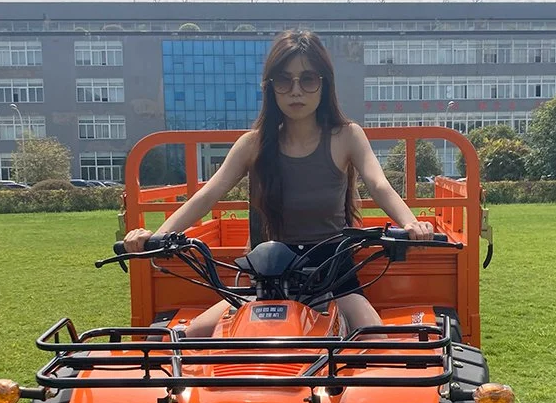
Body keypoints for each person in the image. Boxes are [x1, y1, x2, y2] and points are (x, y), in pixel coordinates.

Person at [124, 29, 434, 336]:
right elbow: (208, 195)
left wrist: (411, 224)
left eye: (308, 79)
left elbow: (379, 185)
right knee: (185, 339)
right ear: (271, 87)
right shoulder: (253, 144)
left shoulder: (346, 136)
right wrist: (157, 238)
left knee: (374, 337)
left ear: (324, 84)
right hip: (266, 277)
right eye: (284, 80)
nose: (296, 90)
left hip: (333, 276)